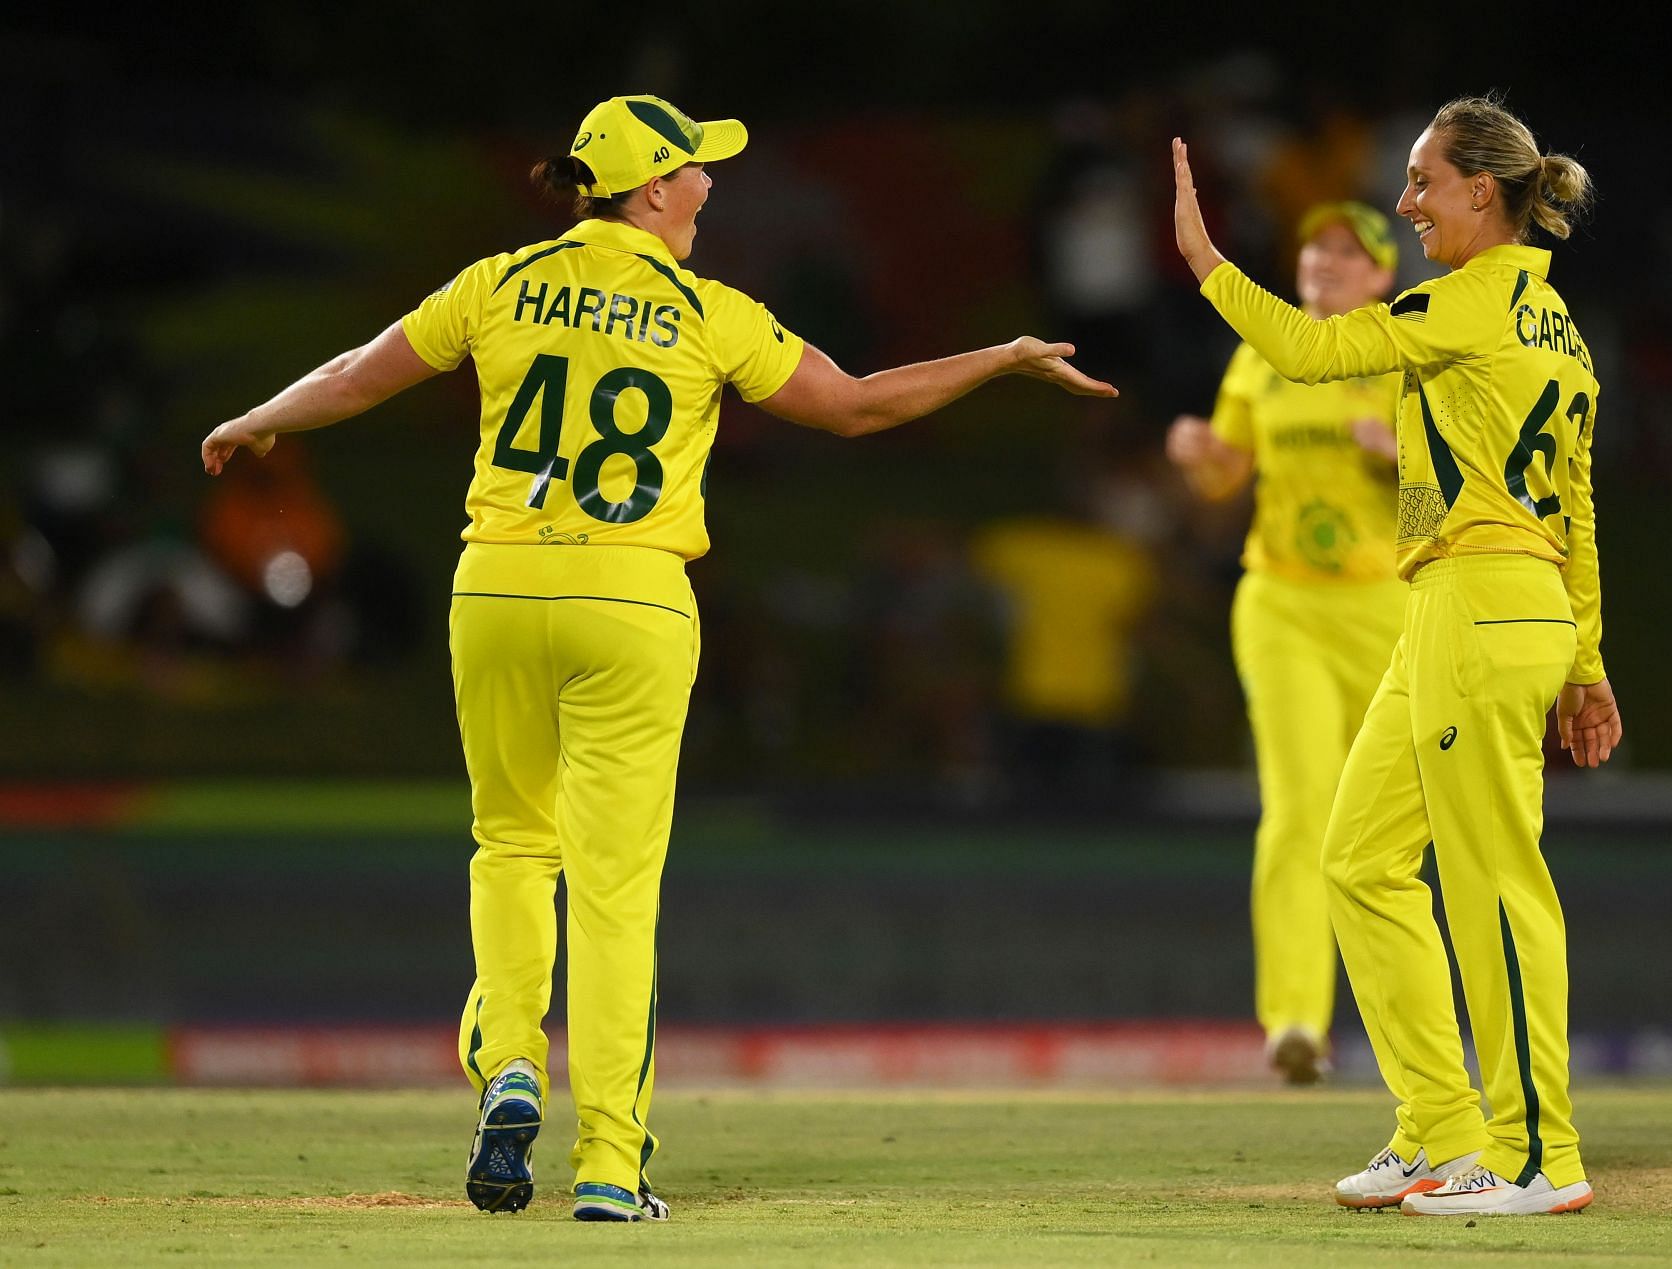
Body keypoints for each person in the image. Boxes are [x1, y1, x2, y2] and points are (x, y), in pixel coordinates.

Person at [202, 92, 1115, 1224]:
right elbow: (858, 408)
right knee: (616, 892)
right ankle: (610, 1167)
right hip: (631, 597)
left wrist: (258, 416)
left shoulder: (499, 283)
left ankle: (510, 1064)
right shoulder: (707, 311)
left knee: (509, 843)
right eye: (695, 169)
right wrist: (1004, 357)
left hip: (494, 585)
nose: (711, 185)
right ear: (649, 190)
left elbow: (359, 372)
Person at [1171, 94, 1623, 1217]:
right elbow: (1572, 506)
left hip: (1478, 608)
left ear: (1485, 188)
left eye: (1424, 180)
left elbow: (1316, 351)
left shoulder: (1465, 302)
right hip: (1464, 601)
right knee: (1360, 859)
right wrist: (1587, 657)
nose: (1407, 199)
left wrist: (1204, 261)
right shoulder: (1552, 323)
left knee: (1493, 887)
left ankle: (1536, 1155)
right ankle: (1440, 1124)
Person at [1164, 200, 1404, 1084]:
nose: (1326, 261)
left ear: (1383, 278)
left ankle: (1399, 1026)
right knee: (1300, 808)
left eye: (1349, 252)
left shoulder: (1403, 356)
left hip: (1386, 608)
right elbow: (1226, 474)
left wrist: (1403, 462)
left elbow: (1445, 510)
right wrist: (1198, 452)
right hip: (1282, 604)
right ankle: (1296, 1020)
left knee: (1381, 828)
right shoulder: (1261, 355)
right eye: (1316, 248)